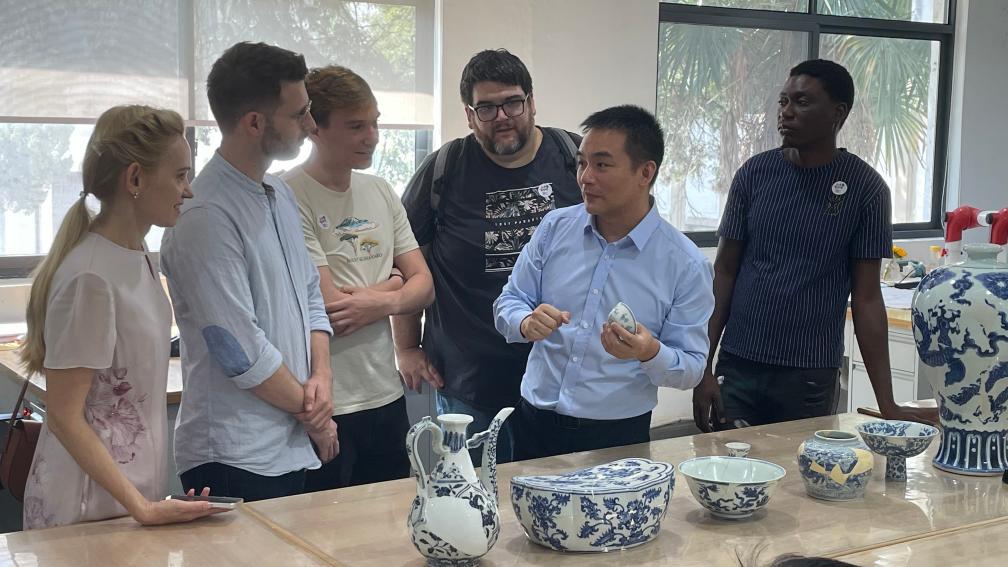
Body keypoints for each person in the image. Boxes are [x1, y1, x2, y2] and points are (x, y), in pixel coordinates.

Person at [692, 59, 939, 433]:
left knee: (800, 468)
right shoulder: (754, 175)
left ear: (838, 113)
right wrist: (702, 367)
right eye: (783, 101)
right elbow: (724, 273)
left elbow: (867, 298)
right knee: (729, 465)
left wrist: (887, 403)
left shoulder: (866, 189)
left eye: (802, 102)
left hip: (809, 374)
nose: (786, 112)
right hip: (739, 363)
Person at [19, 105, 222, 529]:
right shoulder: (91, 276)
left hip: (128, 496)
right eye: (180, 176)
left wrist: (149, 503)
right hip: (85, 507)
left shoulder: (138, 255)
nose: (189, 191)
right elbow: (64, 416)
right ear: (135, 179)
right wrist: (142, 507)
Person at [160, 42, 337, 501]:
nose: (311, 126)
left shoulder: (279, 193)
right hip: (233, 454)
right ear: (255, 123)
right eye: (299, 114)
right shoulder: (205, 214)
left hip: (290, 443)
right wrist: (315, 415)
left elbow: (311, 297)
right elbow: (239, 350)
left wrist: (322, 378)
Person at [494, 105, 714, 460]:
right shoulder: (554, 228)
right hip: (534, 422)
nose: (585, 177)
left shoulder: (685, 264)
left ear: (645, 172)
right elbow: (509, 301)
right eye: (582, 163)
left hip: (617, 436)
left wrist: (648, 352)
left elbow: (691, 368)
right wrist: (525, 321)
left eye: (602, 165)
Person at [396, 49, 582, 464]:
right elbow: (408, 262)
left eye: (513, 102)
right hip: (469, 381)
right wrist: (406, 347)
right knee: (472, 494)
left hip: (563, 377)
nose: (502, 116)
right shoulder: (444, 169)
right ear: (469, 115)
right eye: (486, 108)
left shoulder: (575, 158)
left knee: (556, 490)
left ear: (532, 102)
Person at [283, 65, 434, 490]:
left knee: (390, 521)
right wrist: (394, 283)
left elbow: (425, 285)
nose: (372, 137)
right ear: (314, 127)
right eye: (356, 126)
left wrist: (385, 297)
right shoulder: (287, 194)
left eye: (375, 123)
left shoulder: (380, 190)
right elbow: (331, 308)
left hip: (386, 395)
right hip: (326, 403)